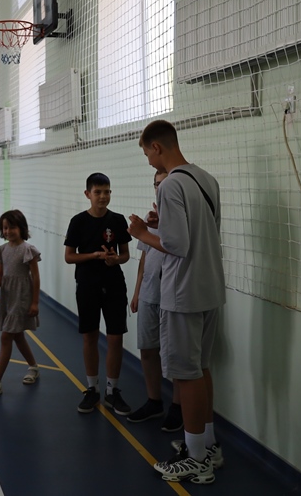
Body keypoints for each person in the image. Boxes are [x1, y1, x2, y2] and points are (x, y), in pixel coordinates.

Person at [128, 119, 225, 485]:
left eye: (147, 154)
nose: (149, 161)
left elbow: (177, 245)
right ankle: (208, 446)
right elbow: (201, 232)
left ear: (156, 147)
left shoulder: (170, 184)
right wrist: (161, 224)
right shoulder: (206, 179)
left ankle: (196, 459)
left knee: (186, 375)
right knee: (201, 369)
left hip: (183, 293)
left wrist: (142, 232)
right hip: (209, 287)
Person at [63, 172, 133, 416]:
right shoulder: (78, 222)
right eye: (98, 192)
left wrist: (115, 260)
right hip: (87, 285)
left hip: (114, 285)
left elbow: (125, 254)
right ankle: (92, 388)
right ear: (88, 194)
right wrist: (93, 256)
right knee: (90, 336)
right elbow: (69, 256)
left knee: (115, 338)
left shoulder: (118, 220)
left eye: (107, 192)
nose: (103, 196)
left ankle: (112, 391)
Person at [127, 170, 182, 430]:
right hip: (149, 294)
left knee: (176, 355)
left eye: (165, 183)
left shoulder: (181, 221)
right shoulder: (150, 220)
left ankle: (178, 407)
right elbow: (145, 260)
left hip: (173, 297)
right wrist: (137, 291)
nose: (160, 188)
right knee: (148, 350)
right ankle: (154, 401)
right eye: (157, 184)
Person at [0, 209, 40, 395]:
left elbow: (36, 278)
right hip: (8, 296)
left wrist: (35, 302)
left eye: (12, 227)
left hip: (22, 296)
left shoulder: (28, 250)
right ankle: (33, 366)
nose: (8, 231)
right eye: (5, 228)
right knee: (17, 335)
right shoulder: (2, 250)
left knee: (6, 336)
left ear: (21, 228)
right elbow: (0, 272)